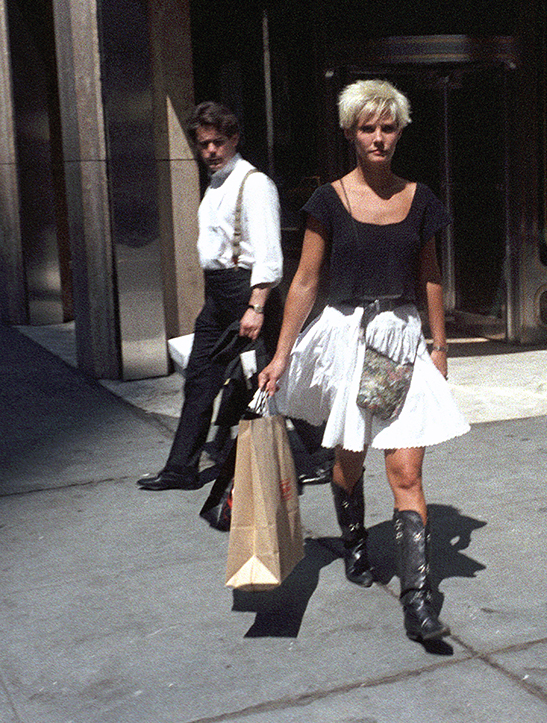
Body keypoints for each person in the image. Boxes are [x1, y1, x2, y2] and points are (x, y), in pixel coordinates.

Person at [258, 79, 469, 642]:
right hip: (348, 341)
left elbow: (429, 277)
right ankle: (354, 542)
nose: (378, 138)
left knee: (405, 469)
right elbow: (304, 281)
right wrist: (281, 355)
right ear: (351, 133)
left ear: (400, 131)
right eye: (367, 128)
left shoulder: (421, 199)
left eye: (388, 127)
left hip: (397, 345)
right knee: (348, 459)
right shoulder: (329, 200)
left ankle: (417, 601)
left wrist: (439, 348)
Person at [138, 101, 283, 490]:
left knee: (265, 381)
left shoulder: (254, 184)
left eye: (218, 142)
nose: (211, 151)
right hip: (217, 294)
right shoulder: (216, 184)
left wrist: (256, 307)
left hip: (247, 291)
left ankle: (312, 458)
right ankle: (180, 468)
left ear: (234, 139)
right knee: (200, 378)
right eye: (203, 144)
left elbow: (269, 254)